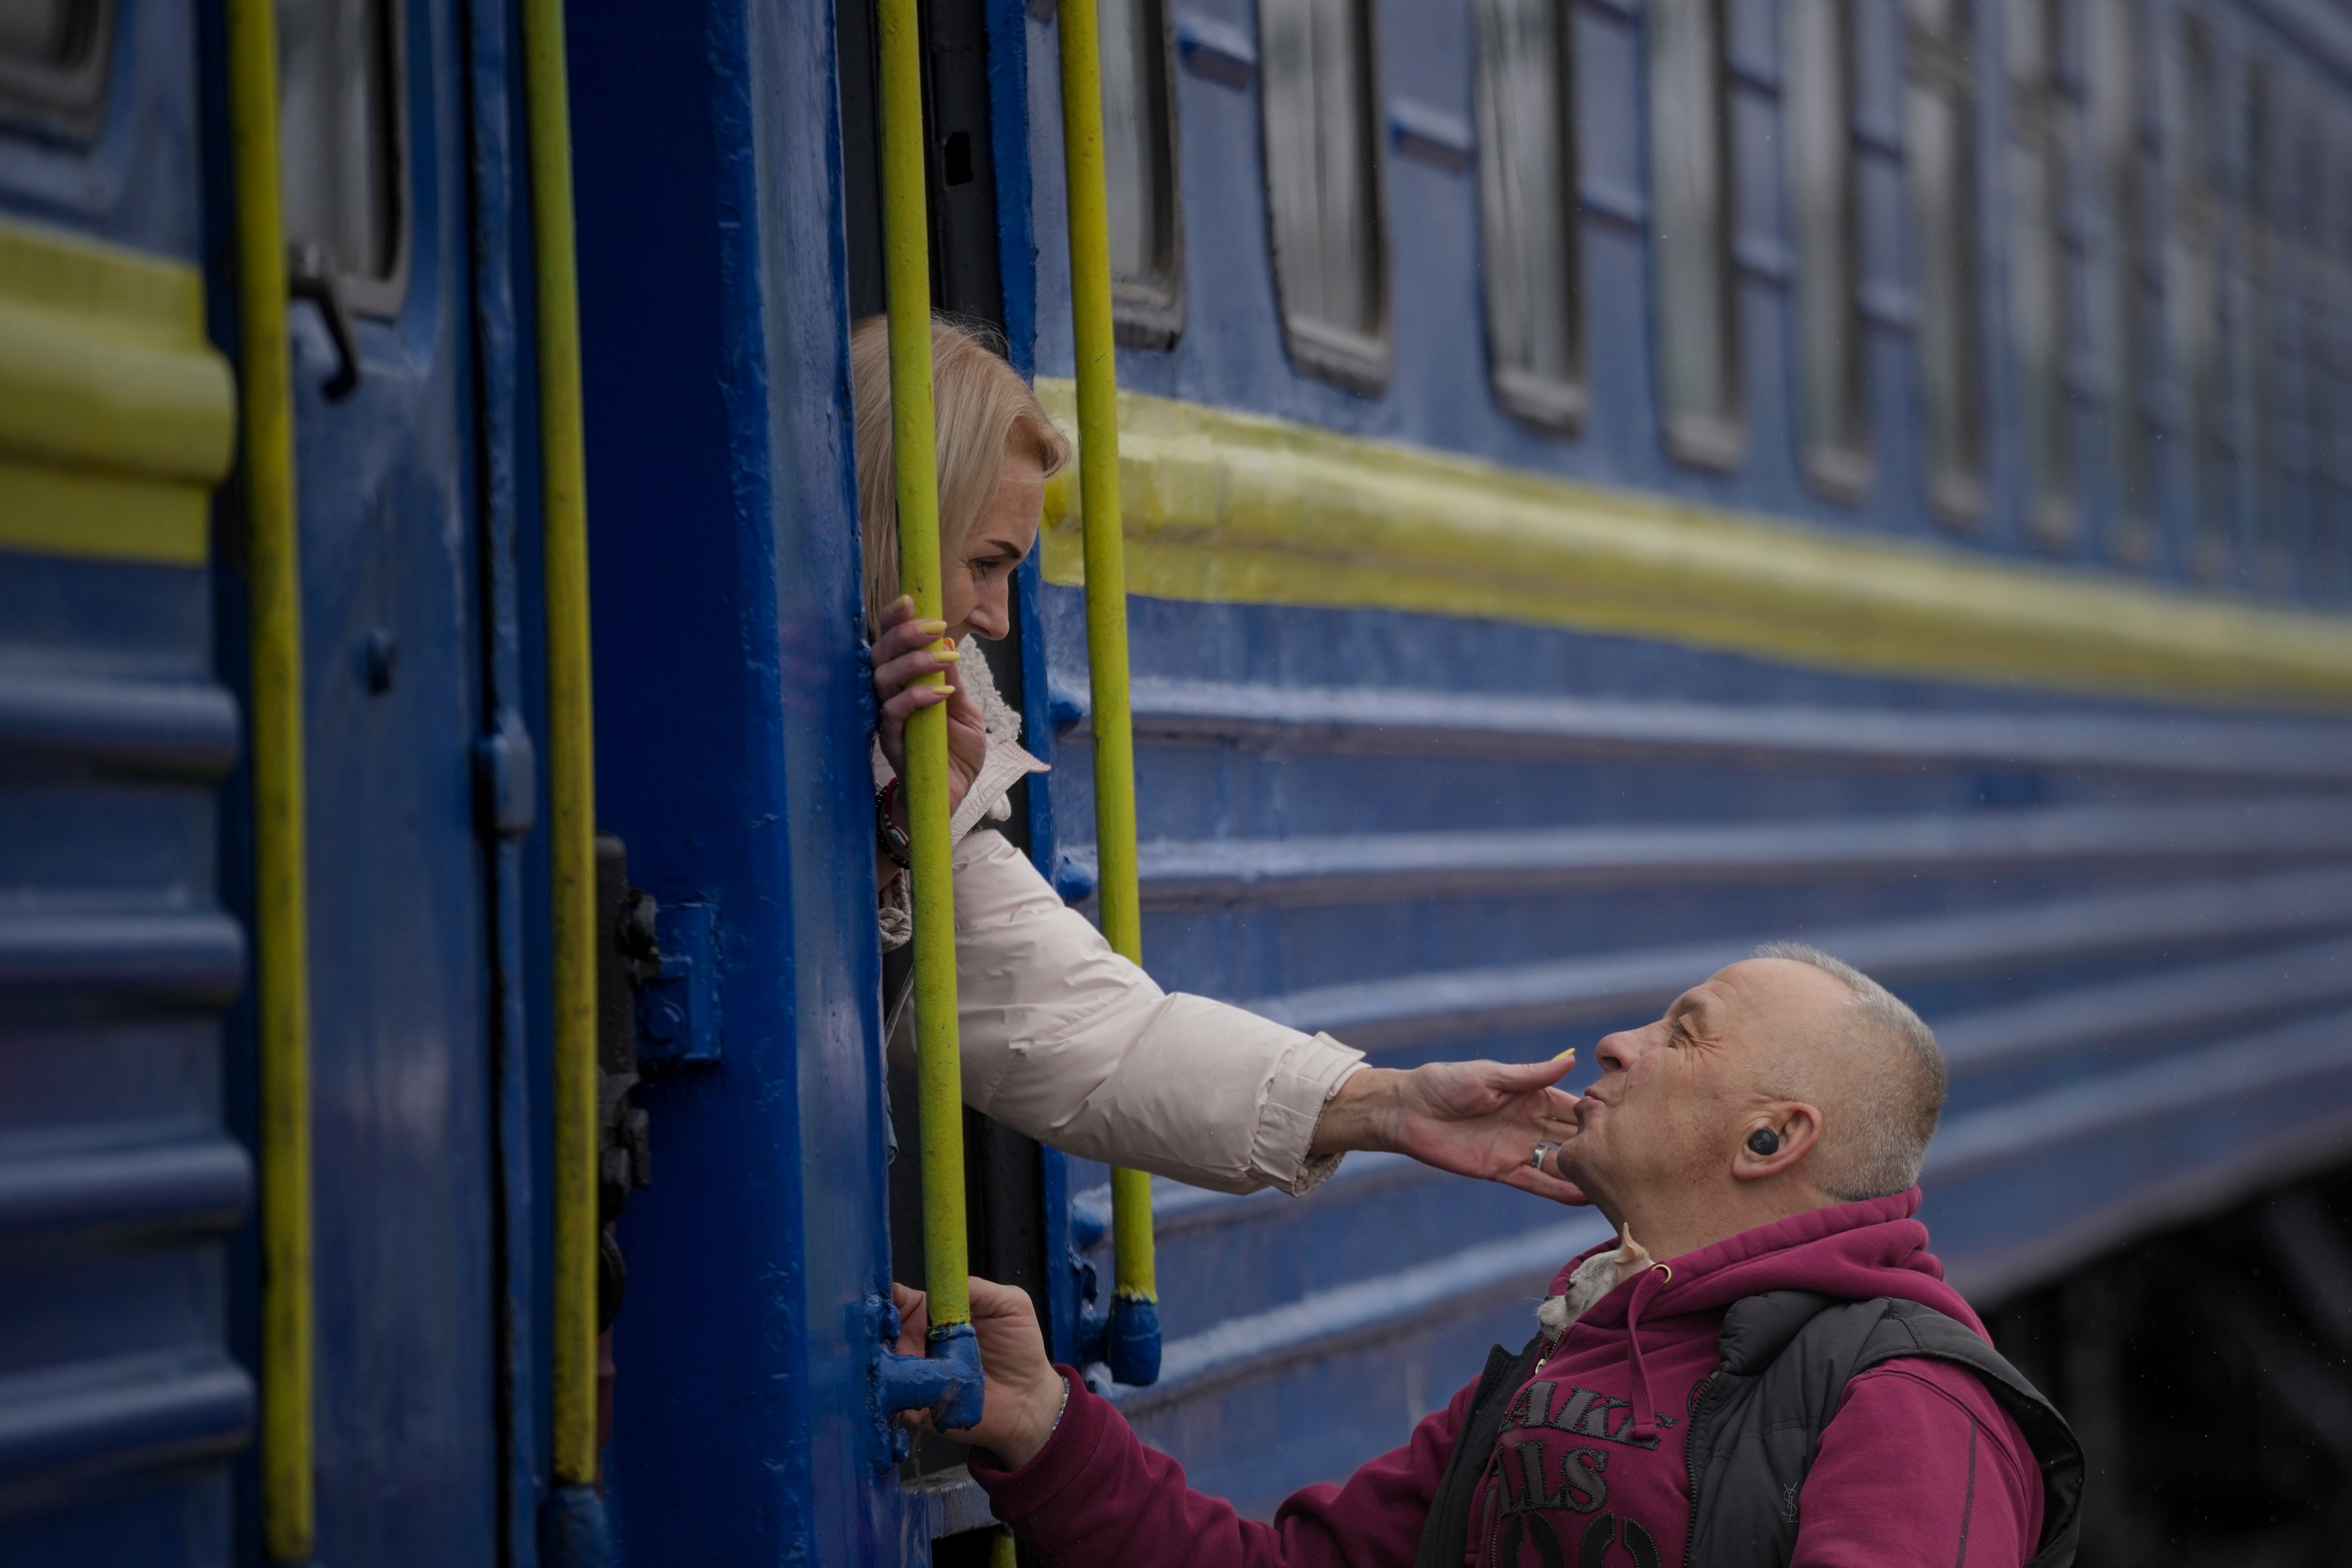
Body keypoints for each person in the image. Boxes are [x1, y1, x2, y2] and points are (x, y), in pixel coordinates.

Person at [901, 943, 2087, 1568]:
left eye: (1682, 1033)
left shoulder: (1912, 1402)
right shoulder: (1569, 1356)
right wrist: (1043, 1423)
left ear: (1772, 1137)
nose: (1616, 1044)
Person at [854, 314, 1583, 1202]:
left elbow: (1094, 1036)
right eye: (985, 563)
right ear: (882, 523)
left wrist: (1387, 1106)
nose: (997, 620)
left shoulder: (927, 739)